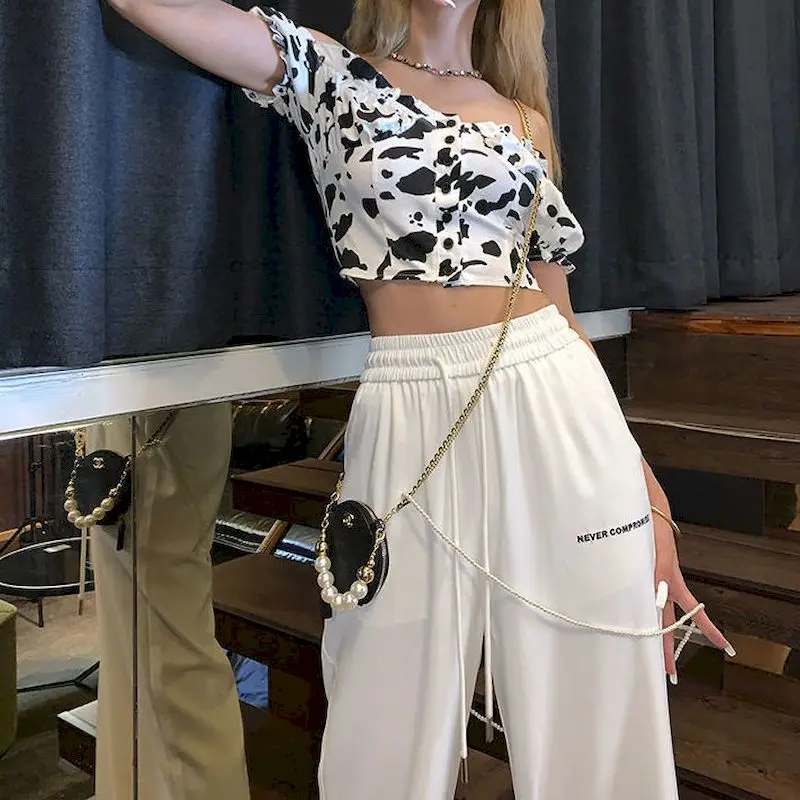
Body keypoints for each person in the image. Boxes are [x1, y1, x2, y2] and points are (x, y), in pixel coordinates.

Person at [106, 1, 734, 797]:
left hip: (556, 399)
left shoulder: (526, 122)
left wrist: (649, 494)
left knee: (600, 707)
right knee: (380, 714)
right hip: (406, 408)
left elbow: (566, 319)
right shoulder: (331, 74)